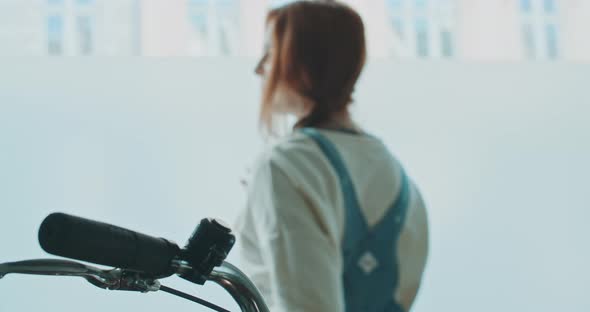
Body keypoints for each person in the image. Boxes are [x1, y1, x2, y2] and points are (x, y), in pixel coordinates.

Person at [234, 1, 429, 311]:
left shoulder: (284, 167)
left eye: (270, 53)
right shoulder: (396, 175)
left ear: (304, 66)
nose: (260, 68)